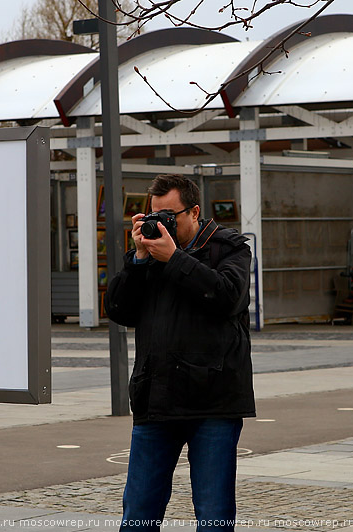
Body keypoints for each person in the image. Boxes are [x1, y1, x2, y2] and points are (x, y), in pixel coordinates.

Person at [104, 174, 255, 532]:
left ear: (195, 212)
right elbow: (119, 311)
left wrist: (174, 258)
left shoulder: (230, 248)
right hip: (156, 398)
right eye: (154, 216)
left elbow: (227, 296)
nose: (161, 224)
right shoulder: (148, 255)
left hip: (213, 401)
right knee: (138, 512)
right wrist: (139, 260)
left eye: (170, 215)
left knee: (213, 514)